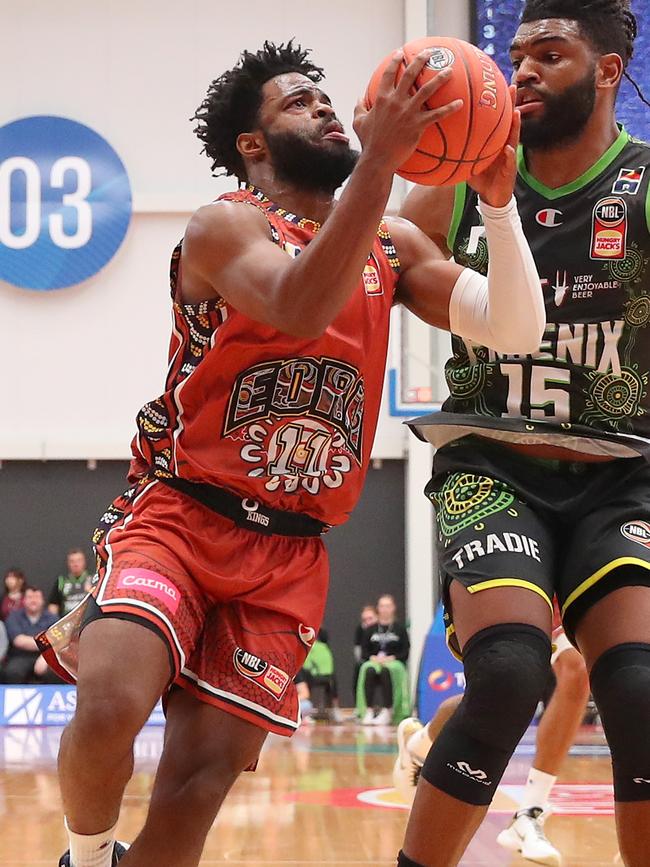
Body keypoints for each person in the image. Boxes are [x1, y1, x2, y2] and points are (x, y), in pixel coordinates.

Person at [36, 40, 544, 867]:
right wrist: (383, 160)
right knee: (108, 702)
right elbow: (300, 303)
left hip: (288, 552)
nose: (323, 105)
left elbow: (515, 328)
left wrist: (494, 205)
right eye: (297, 100)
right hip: (180, 512)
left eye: (323, 94)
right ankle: (86, 854)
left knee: (197, 788)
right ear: (253, 144)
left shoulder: (388, 243)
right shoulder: (225, 224)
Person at [395, 1, 650, 865]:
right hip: (493, 462)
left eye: (550, 53)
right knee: (509, 672)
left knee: (640, 688)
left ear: (608, 71)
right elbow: (384, 265)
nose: (524, 71)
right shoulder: (452, 182)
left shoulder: (642, 184)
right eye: (516, 55)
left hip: (623, 475)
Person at [393, 602, 590, 865]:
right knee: (502, 691)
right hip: (523, 569)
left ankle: (530, 813)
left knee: (577, 670)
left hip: (581, 566)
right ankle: (420, 742)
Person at [357, 594, 410, 725]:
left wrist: (392, 658)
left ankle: (389, 710)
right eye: (382, 606)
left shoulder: (400, 629)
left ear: (393, 608)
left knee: (387, 671)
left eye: (388, 606)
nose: (385, 609)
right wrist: (373, 658)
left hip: (393, 662)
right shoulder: (370, 630)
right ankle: (368, 710)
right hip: (374, 661)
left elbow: (405, 651)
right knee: (368, 670)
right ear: (378, 609)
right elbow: (363, 651)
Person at [2, 587, 58, 683]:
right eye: (30, 597)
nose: (33, 600)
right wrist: (47, 644)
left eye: (37, 597)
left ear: (43, 600)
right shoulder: (14, 616)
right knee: (13, 672)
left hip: (45, 656)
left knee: (55, 673)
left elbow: (58, 641)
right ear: (24, 600)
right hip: (20, 657)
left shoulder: (52, 618)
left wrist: (45, 657)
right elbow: (19, 641)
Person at [48, 549, 92, 617]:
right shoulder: (61, 581)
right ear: (68, 563)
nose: (75, 564)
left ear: (84, 562)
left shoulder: (93, 579)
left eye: (79, 561)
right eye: (72, 561)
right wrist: (54, 621)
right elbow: (53, 604)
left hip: (86, 619)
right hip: (67, 620)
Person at [353, 603, 377, 693]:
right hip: (367, 659)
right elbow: (358, 648)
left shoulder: (381, 629)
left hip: (384, 659)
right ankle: (359, 702)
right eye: (365, 620)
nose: (367, 622)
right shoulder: (360, 629)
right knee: (358, 668)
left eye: (370, 619)